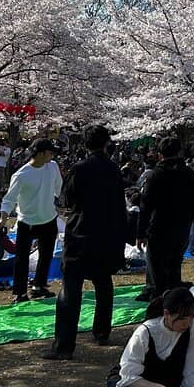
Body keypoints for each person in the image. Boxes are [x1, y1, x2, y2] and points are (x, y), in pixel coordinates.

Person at [44, 125, 128, 360]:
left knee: (71, 287)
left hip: (81, 233)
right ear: (106, 142)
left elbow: (67, 199)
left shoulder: (79, 168)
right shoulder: (113, 169)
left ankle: (64, 345)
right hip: (107, 234)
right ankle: (102, 331)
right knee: (103, 283)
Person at [104, 287, 194, 387]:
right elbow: (128, 376)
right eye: (182, 319)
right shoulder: (145, 332)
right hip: (135, 382)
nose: (187, 324)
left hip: (167, 382)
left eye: (191, 318)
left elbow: (192, 371)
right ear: (166, 314)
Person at [0, 138, 62, 304]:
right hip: (27, 222)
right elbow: (9, 199)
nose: (52, 155)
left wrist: (53, 200)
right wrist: (3, 219)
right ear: (40, 153)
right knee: (22, 258)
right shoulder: (21, 175)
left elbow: (58, 186)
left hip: (49, 218)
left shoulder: (52, 166)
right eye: (49, 152)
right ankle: (20, 292)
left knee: (46, 255)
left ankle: (39, 286)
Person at [137, 135, 194, 302]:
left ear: (160, 154)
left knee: (157, 268)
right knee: (174, 266)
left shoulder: (156, 175)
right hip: (181, 227)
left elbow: (145, 206)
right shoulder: (189, 174)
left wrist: (141, 232)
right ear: (180, 152)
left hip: (159, 227)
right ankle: (173, 297)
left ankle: (158, 297)